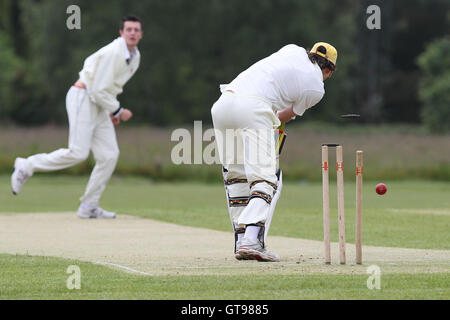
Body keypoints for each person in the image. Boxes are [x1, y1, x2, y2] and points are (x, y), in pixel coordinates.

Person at [211, 42, 337, 261]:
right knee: (266, 179)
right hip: (253, 108)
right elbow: (284, 115)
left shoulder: (292, 50)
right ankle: (251, 241)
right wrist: (267, 125)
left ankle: (241, 241)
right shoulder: (317, 87)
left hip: (223, 104)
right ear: (329, 70)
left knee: (237, 178)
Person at [11, 15, 143, 219]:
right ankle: (26, 165)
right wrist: (117, 110)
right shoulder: (114, 52)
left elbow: (109, 87)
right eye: (129, 30)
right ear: (121, 33)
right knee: (78, 152)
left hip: (99, 103)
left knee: (109, 155)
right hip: (83, 96)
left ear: (141, 34)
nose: (133, 33)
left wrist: (109, 110)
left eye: (136, 30)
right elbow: (97, 88)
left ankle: (89, 205)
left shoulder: (135, 57)